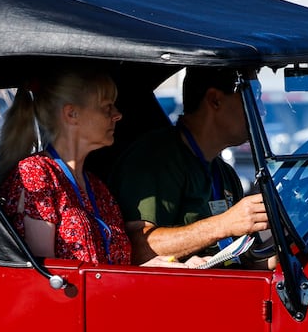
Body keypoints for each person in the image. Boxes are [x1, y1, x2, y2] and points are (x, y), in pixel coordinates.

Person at [111, 67, 271, 263]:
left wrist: (282, 244)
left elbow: (246, 260)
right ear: (215, 100)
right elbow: (136, 249)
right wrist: (223, 224)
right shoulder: (155, 159)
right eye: (252, 95)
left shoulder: (225, 174)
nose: (262, 109)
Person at [0, 67, 134, 265]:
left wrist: (155, 266)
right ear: (71, 114)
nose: (117, 115)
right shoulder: (36, 173)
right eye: (106, 107)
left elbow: (115, 269)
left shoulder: (97, 187)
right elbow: (44, 272)